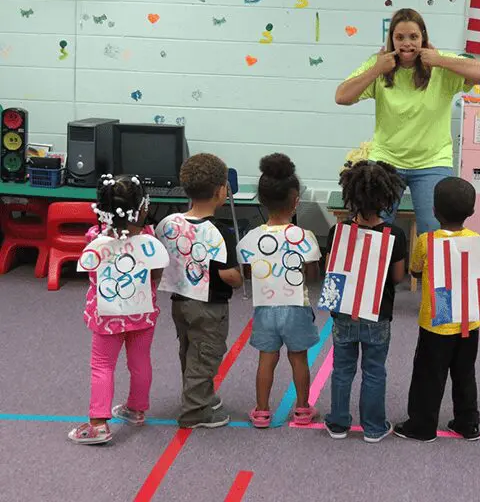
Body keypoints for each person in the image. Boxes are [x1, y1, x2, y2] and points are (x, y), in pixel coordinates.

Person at [335, 8, 480, 234]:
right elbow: (342, 97)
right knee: (374, 231)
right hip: (385, 161)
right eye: (399, 37)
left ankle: (421, 271)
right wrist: (375, 70)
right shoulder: (379, 64)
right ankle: (389, 271)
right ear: (391, 39)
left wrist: (440, 60)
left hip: (432, 161)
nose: (407, 43)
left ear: (423, 38)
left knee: (434, 232)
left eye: (413, 37)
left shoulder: (440, 65)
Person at [68, 175, 167, 444]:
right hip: (142, 314)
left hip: (107, 316)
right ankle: (136, 408)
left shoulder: (94, 239)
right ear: (142, 207)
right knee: (140, 361)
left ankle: (98, 424)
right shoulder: (149, 239)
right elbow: (156, 276)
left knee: (102, 365)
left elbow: (92, 274)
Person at [323, 161, 407, 443]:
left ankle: (337, 423)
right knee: (374, 370)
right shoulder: (394, 235)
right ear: (387, 197)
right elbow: (397, 277)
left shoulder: (338, 232)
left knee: (342, 369)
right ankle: (373, 427)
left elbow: (330, 272)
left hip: (344, 312)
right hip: (378, 314)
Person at [156, 153, 243, 429]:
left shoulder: (169, 223)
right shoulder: (220, 232)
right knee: (206, 354)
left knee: (190, 349)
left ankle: (199, 396)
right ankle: (195, 412)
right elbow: (228, 274)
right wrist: (240, 279)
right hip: (209, 307)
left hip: (179, 302)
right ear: (221, 191)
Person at [394, 177, 480, 442]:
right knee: (465, 373)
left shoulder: (425, 241)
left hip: (437, 321)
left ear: (434, 210)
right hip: (469, 321)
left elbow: (416, 271)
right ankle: (468, 424)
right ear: (472, 212)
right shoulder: (476, 239)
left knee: (428, 375)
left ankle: (422, 425)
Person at [241, 154, 321, 428]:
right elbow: (312, 275)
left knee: (267, 359)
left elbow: (249, 271)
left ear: (261, 200)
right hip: (296, 306)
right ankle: (302, 409)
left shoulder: (251, 238)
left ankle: (262, 411)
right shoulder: (305, 237)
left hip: (265, 308)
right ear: (296, 200)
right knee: (298, 359)